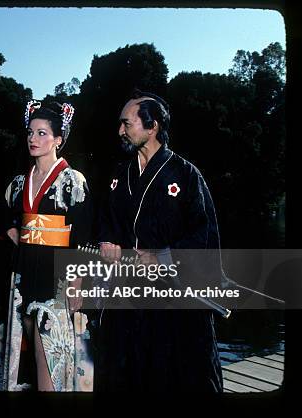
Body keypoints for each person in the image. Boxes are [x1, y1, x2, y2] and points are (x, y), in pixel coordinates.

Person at [94, 89, 224, 392]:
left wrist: (162, 257)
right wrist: (106, 240)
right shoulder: (118, 174)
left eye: (127, 124)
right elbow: (106, 221)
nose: (120, 131)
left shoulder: (186, 175)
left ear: (152, 127)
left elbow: (204, 236)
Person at [2, 100, 95, 391]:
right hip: (24, 274)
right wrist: (16, 233)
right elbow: (5, 216)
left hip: (56, 278)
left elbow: (83, 235)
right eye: (31, 132)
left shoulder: (72, 182)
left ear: (58, 139)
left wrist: (77, 282)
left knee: (50, 355)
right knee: (25, 349)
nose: (33, 139)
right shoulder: (19, 182)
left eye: (42, 133)